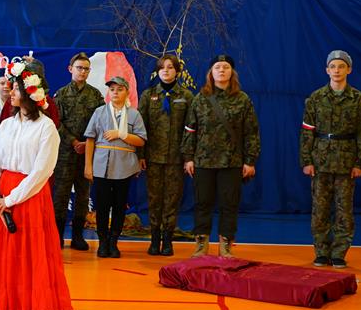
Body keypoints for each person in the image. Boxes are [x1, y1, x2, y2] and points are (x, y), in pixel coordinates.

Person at [0, 58, 71, 310]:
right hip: (4, 202)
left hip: (29, 200)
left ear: (30, 92)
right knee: (10, 261)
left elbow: (41, 172)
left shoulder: (46, 128)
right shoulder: (7, 125)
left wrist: (11, 199)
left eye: (16, 87)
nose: (10, 91)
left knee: (33, 260)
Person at [182, 54, 260, 258]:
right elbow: (190, 130)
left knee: (229, 205)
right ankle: (201, 244)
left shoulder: (242, 100)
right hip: (203, 161)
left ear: (232, 72)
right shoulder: (200, 99)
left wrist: (250, 161)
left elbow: (251, 132)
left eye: (226, 67)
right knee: (202, 203)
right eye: (217, 67)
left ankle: (226, 244)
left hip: (231, 161)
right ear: (211, 72)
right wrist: (188, 158)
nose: (222, 70)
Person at [299, 50, 361, 268]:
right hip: (320, 159)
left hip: (346, 161)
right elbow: (307, 132)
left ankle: (339, 252)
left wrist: (360, 163)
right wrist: (306, 161)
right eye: (333, 66)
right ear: (327, 70)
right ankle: (321, 251)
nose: (337, 70)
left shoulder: (358, 99)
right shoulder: (315, 98)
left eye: (341, 66)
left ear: (349, 69)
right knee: (320, 209)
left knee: (344, 210)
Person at [83, 76, 146, 258]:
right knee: (102, 206)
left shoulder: (134, 115)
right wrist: (88, 166)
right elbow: (90, 139)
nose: (115, 93)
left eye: (119, 89)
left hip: (124, 167)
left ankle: (114, 241)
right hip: (101, 166)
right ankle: (103, 241)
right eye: (112, 90)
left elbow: (141, 140)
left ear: (127, 92)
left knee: (119, 206)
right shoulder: (99, 112)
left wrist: (121, 134)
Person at [138, 54, 194, 256]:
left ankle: (168, 240)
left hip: (176, 159)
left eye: (170, 67)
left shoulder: (186, 96)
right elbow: (140, 128)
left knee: (172, 200)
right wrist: (140, 155)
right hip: (153, 158)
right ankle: (154, 239)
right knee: (154, 199)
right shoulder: (148, 95)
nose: (166, 71)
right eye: (162, 67)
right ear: (157, 71)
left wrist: (188, 157)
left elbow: (191, 129)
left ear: (177, 71)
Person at [52, 52, 104, 250]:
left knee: (83, 196)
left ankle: (77, 237)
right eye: (79, 68)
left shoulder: (95, 95)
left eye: (86, 69)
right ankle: (57, 236)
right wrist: (73, 141)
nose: (82, 72)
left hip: (87, 153)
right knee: (61, 196)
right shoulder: (61, 94)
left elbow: (101, 121)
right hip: (65, 153)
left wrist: (87, 143)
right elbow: (56, 123)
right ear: (70, 69)